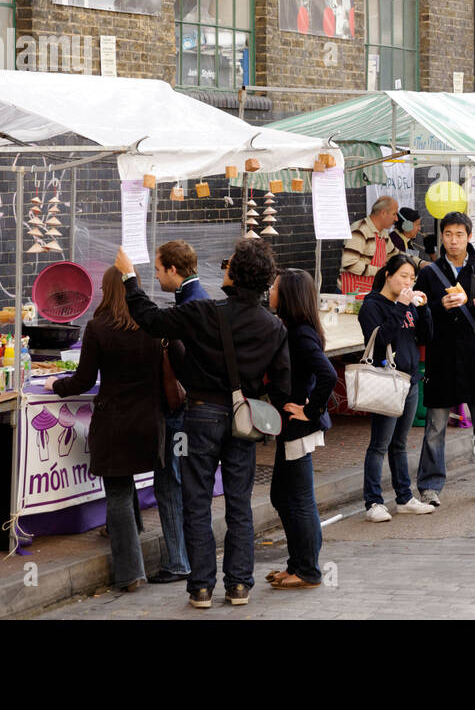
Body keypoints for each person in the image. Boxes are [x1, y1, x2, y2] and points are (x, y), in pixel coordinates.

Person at [120, 238, 292, 609]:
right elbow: (281, 386)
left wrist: (129, 279)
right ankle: (239, 585)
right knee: (239, 503)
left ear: (235, 273)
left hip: (200, 414)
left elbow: (150, 319)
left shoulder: (205, 312)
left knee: (196, 500)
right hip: (243, 419)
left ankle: (200, 587)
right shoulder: (273, 327)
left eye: (227, 263)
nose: (223, 268)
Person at [47, 267, 166, 593]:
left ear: (105, 290)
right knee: (125, 486)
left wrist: (56, 384)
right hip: (148, 421)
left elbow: (83, 380)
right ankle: (126, 540)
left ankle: (130, 573)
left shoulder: (98, 328)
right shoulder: (153, 325)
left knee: (116, 491)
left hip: (114, 422)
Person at [413, 211, 475, 505]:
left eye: (459, 234)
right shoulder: (429, 273)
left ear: (469, 237)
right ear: (441, 237)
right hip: (441, 360)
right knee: (435, 427)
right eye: (448, 235)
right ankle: (430, 485)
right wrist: (437, 306)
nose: (453, 240)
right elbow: (419, 313)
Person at [267, 269, 335, 589]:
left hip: (298, 428)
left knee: (299, 499)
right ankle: (296, 563)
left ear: (289, 295)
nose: (270, 289)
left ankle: (308, 569)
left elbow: (328, 375)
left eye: (275, 286)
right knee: (282, 495)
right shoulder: (293, 329)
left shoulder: (301, 333)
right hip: (289, 428)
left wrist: (309, 411)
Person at [146, 239, 207, 585]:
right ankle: (187, 557)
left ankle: (180, 560)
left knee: (170, 481)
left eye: (158, 269)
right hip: (191, 410)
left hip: (181, 413)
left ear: (172, 269)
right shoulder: (196, 298)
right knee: (180, 481)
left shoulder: (189, 305)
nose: (156, 277)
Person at [358, 254, 436, 521]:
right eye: (403, 276)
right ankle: (373, 502)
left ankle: (404, 497)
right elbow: (381, 340)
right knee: (379, 444)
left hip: (410, 380)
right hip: (386, 381)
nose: (408, 282)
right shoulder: (371, 306)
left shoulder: (408, 304)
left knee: (400, 444)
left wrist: (423, 309)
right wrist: (402, 306)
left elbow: (426, 337)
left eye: (412, 278)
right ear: (388, 275)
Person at [340, 195, 401, 294]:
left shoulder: (383, 234)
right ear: (384, 213)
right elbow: (349, 263)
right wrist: (380, 272)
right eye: (394, 214)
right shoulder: (360, 230)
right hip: (352, 293)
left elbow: (396, 255)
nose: (396, 219)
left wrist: (420, 263)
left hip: (370, 291)